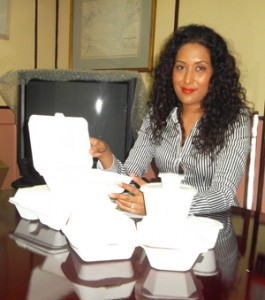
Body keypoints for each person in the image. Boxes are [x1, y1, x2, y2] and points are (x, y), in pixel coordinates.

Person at [89, 24, 253, 216]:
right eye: (181, 67)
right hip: (164, 221)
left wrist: (161, 205)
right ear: (171, 71)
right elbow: (129, 177)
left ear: (215, 75)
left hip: (214, 224)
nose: (187, 79)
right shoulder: (158, 115)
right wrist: (106, 155)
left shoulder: (234, 120)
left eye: (200, 68)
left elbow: (222, 195)